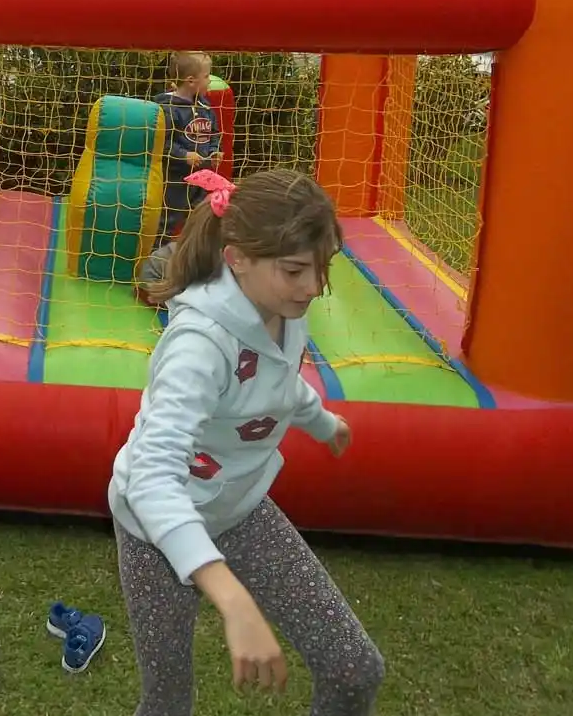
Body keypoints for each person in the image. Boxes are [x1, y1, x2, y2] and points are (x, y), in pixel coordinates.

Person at [109, 168, 384, 716]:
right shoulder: (198, 346)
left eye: (321, 268)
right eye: (295, 271)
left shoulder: (284, 310)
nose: (313, 287)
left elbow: (278, 380)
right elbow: (152, 479)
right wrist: (232, 599)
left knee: (355, 667)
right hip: (154, 531)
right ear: (238, 260)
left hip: (239, 510)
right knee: (167, 703)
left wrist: (321, 421)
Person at [155, 51, 223, 244]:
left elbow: (214, 132)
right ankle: (157, 258)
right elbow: (162, 142)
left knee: (201, 220)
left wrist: (213, 150)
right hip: (176, 178)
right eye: (207, 76)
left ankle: (194, 257)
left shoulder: (205, 105)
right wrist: (183, 154)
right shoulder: (168, 108)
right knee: (168, 219)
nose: (209, 81)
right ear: (191, 81)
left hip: (203, 177)